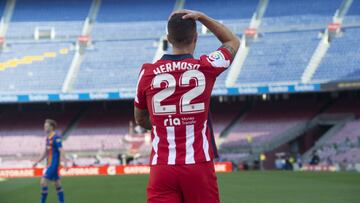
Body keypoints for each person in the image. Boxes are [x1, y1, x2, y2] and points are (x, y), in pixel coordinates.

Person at [134, 9, 239, 203]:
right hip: (198, 165)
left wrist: (166, 124)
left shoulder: (147, 73)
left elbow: (140, 118)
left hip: (162, 167)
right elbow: (232, 42)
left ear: (168, 38)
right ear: (196, 38)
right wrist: (203, 17)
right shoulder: (206, 66)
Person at [33, 119, 67, 203]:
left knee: (43, 181)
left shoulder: (56, 137)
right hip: (49, 164)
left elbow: (61, 149)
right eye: (44, 126)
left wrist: (65, 162)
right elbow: (45, 152)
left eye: (46, 126)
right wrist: (37, 161)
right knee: (57, 184)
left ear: (51, 127)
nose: (44, 127)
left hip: (54, 164)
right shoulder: (48, 138)